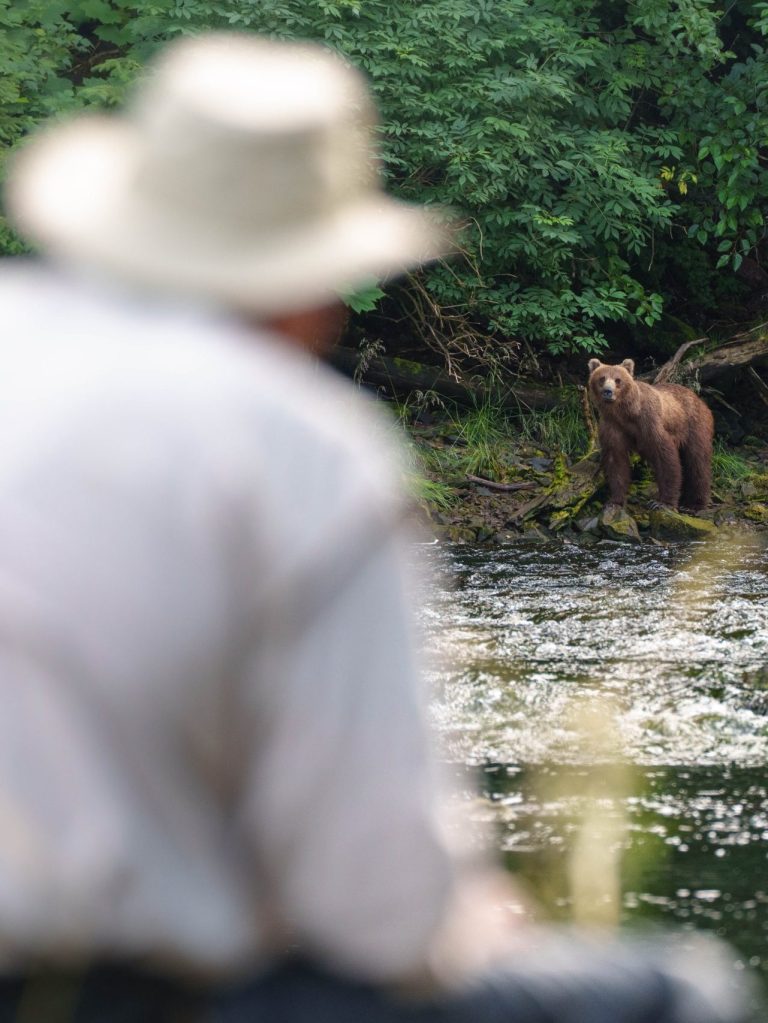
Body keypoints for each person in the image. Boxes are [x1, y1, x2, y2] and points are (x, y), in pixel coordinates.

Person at [0, 31, 753, 1023]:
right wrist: (468, 920)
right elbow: (387, 913)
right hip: (111, 989)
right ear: (316, 292)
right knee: (681, 995)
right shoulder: (302, 447)